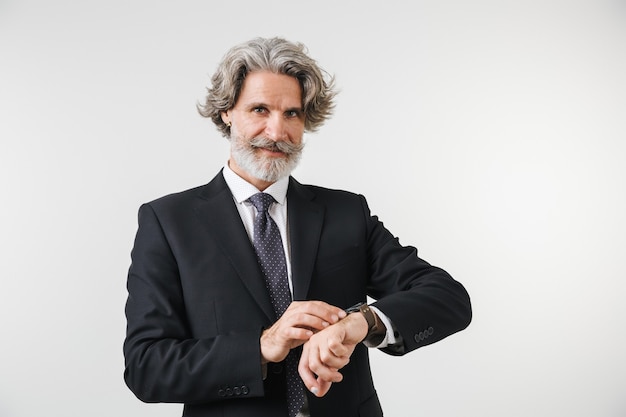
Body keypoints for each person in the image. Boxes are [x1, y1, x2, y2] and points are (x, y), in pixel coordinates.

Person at [123, 37, 472, 417]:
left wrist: (362, 323)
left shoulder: (345, 212)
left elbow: (448, 298)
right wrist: (262, 345)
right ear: (227, 112)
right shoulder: (168, 222)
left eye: (292, 114)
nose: (277, 132)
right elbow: (146, 367)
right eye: (260, 109)